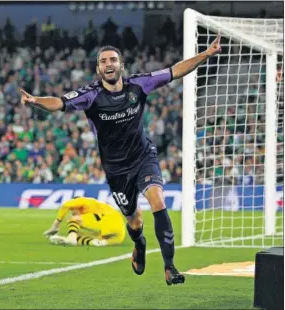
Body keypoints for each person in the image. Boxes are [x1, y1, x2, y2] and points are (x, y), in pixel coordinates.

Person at [20, 35, 222, 285]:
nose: (108, 64)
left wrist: (206, 54)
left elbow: (174, 71)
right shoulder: (90, 95)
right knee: (134, 220)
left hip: (143, 157)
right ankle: (139, 244)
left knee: (157, 200)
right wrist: (35, 101)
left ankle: (170, 267)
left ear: (121, 65)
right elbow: (59, 103)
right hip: (116, 170)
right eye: (103, 61)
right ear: (98, 68)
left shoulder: (139, 85)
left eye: (113, 59)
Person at [43, 196, 126, 247]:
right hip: (119, 235)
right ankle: (89, 241)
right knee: (82, 237)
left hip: (110, 220)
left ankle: (71, 238)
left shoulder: (83, 201)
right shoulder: (95, 209)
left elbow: (65, 205)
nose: (73, 212)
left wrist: (55, 225)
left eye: (73, 209)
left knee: (72, 219)